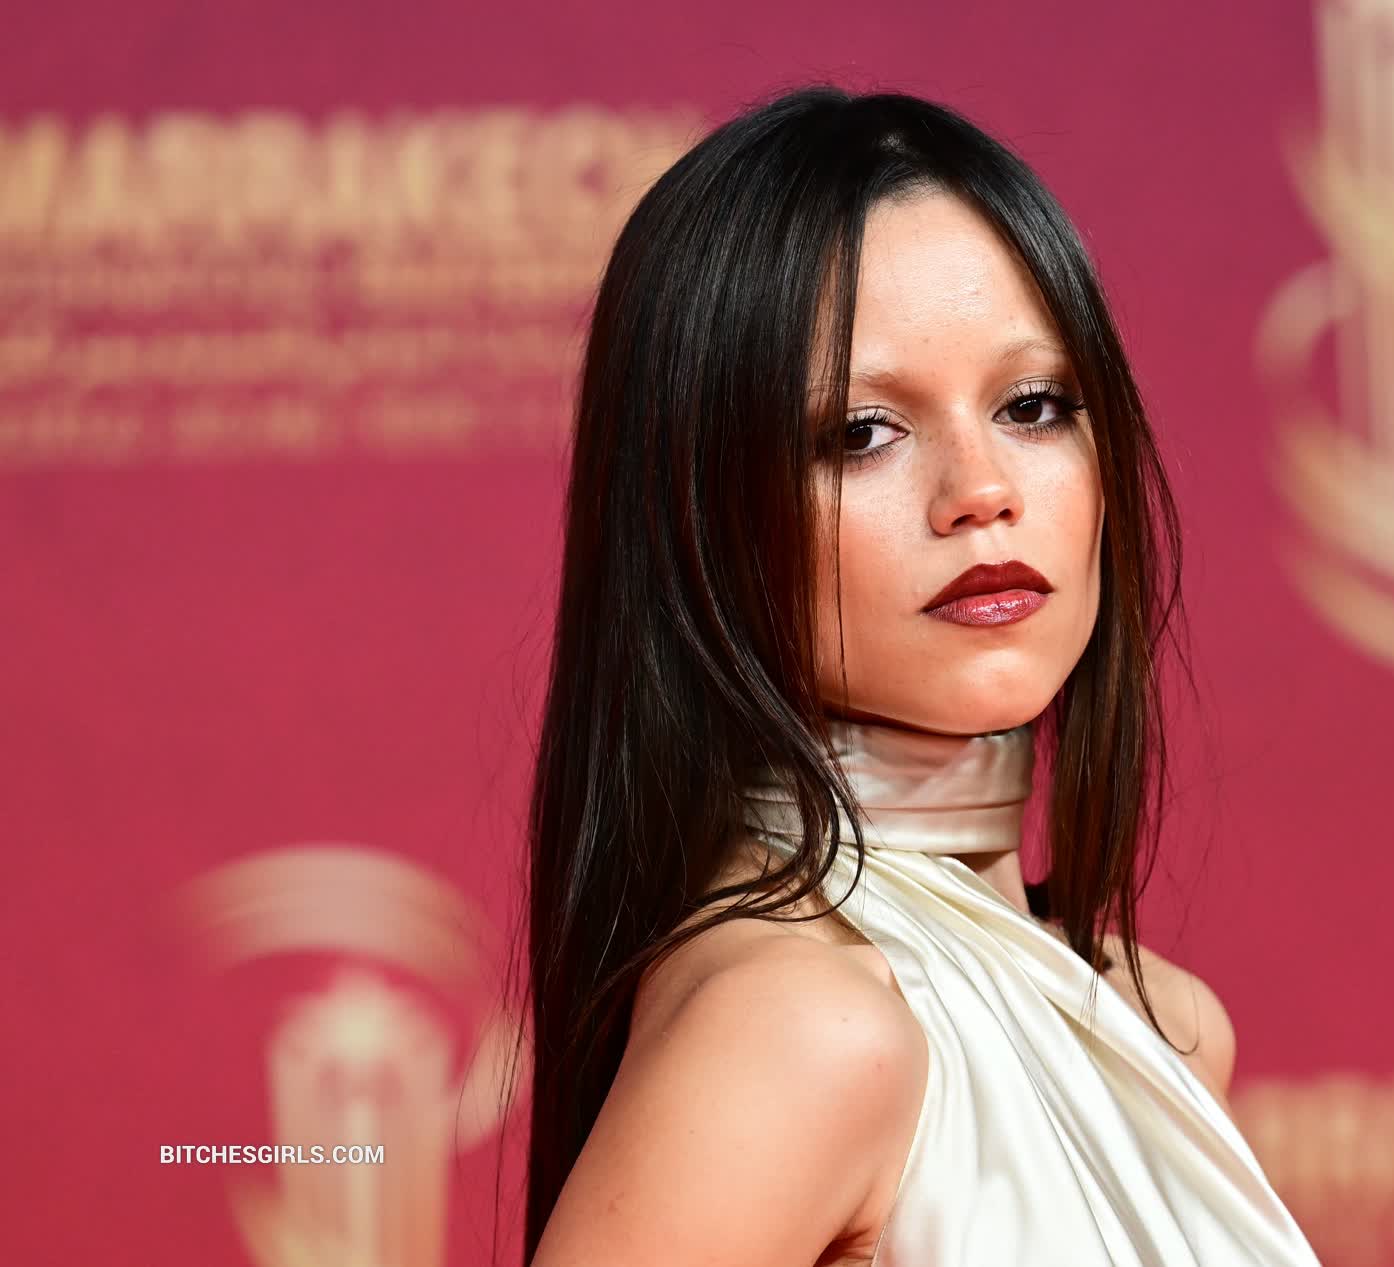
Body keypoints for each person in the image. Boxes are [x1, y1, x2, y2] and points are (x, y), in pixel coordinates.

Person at [518, 84, 1323, 1267]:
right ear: (696, 516)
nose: (980, 489)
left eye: (1033, 405)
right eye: (860, 432)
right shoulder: (801, 1030)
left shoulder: (1162, 1024)